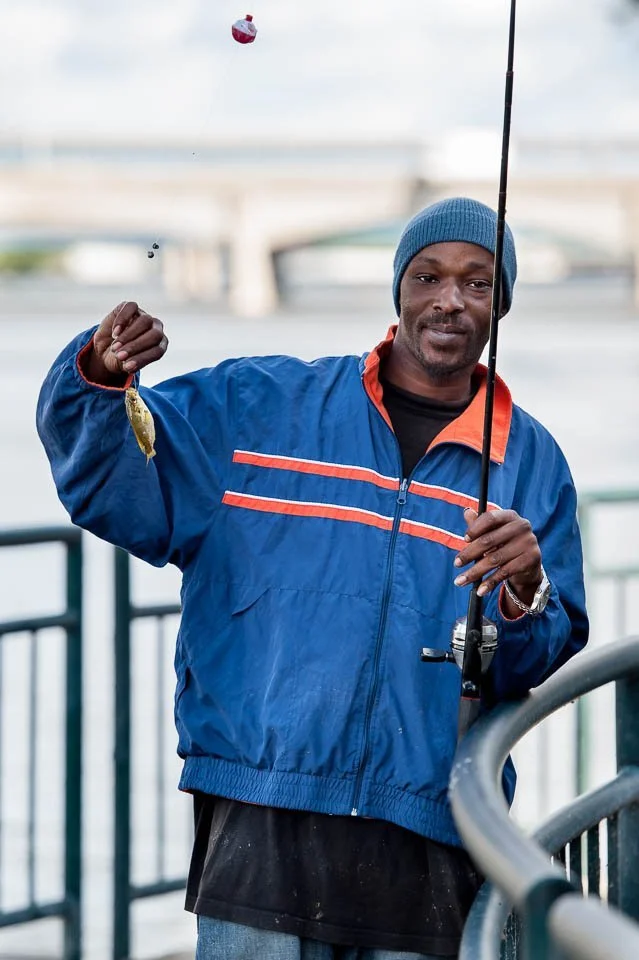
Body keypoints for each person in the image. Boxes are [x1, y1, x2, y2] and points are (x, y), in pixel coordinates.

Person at [37, 197, 588, 960]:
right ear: (397, 287)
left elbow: (534, 658)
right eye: (427, 275)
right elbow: (110, 485)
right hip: (259, 814)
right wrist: (97, 377)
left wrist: (525, 590)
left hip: (427, 833)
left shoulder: (531, 462)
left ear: (502, 304)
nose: (449, 300)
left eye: (478, 283)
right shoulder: (257, 405)